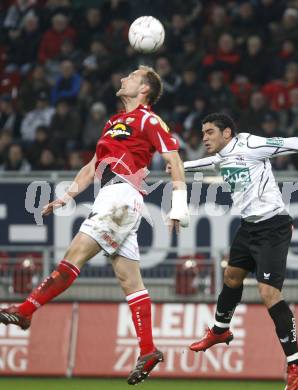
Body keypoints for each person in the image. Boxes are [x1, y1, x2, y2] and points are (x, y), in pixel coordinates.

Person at [0, 65, 190, 385]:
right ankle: (148, 349)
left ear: (144, 89)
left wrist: (179, 207)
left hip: (122, 196)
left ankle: (26, 310)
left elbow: (174, 160)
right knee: (129, 280)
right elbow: (92, 165)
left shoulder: (149, 120)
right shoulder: (113, 122)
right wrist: (68, 196)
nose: (122, 78)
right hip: (110, 195)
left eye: (130, 77)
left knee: (72, 259)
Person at [180, 113, 298, 390]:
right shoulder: (223, 155)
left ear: (227, 133)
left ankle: (296, 364)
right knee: (231, 276)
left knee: (268, 293)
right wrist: (179, 166)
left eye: (210, 132)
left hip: (273, 227)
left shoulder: (252, 145)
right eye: (203, 132)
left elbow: (294, 142)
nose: (204, 137)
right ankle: (220, 330)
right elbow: (211, 162)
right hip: (249, 226)